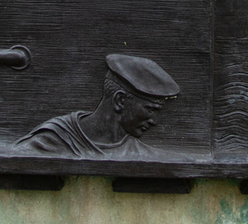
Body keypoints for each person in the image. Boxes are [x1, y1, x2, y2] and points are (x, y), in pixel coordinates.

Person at [14, 53, 180, 160]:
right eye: (150, 110)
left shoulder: (142, 154)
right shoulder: (50, 141)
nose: (154, 121)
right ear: (120, 101)